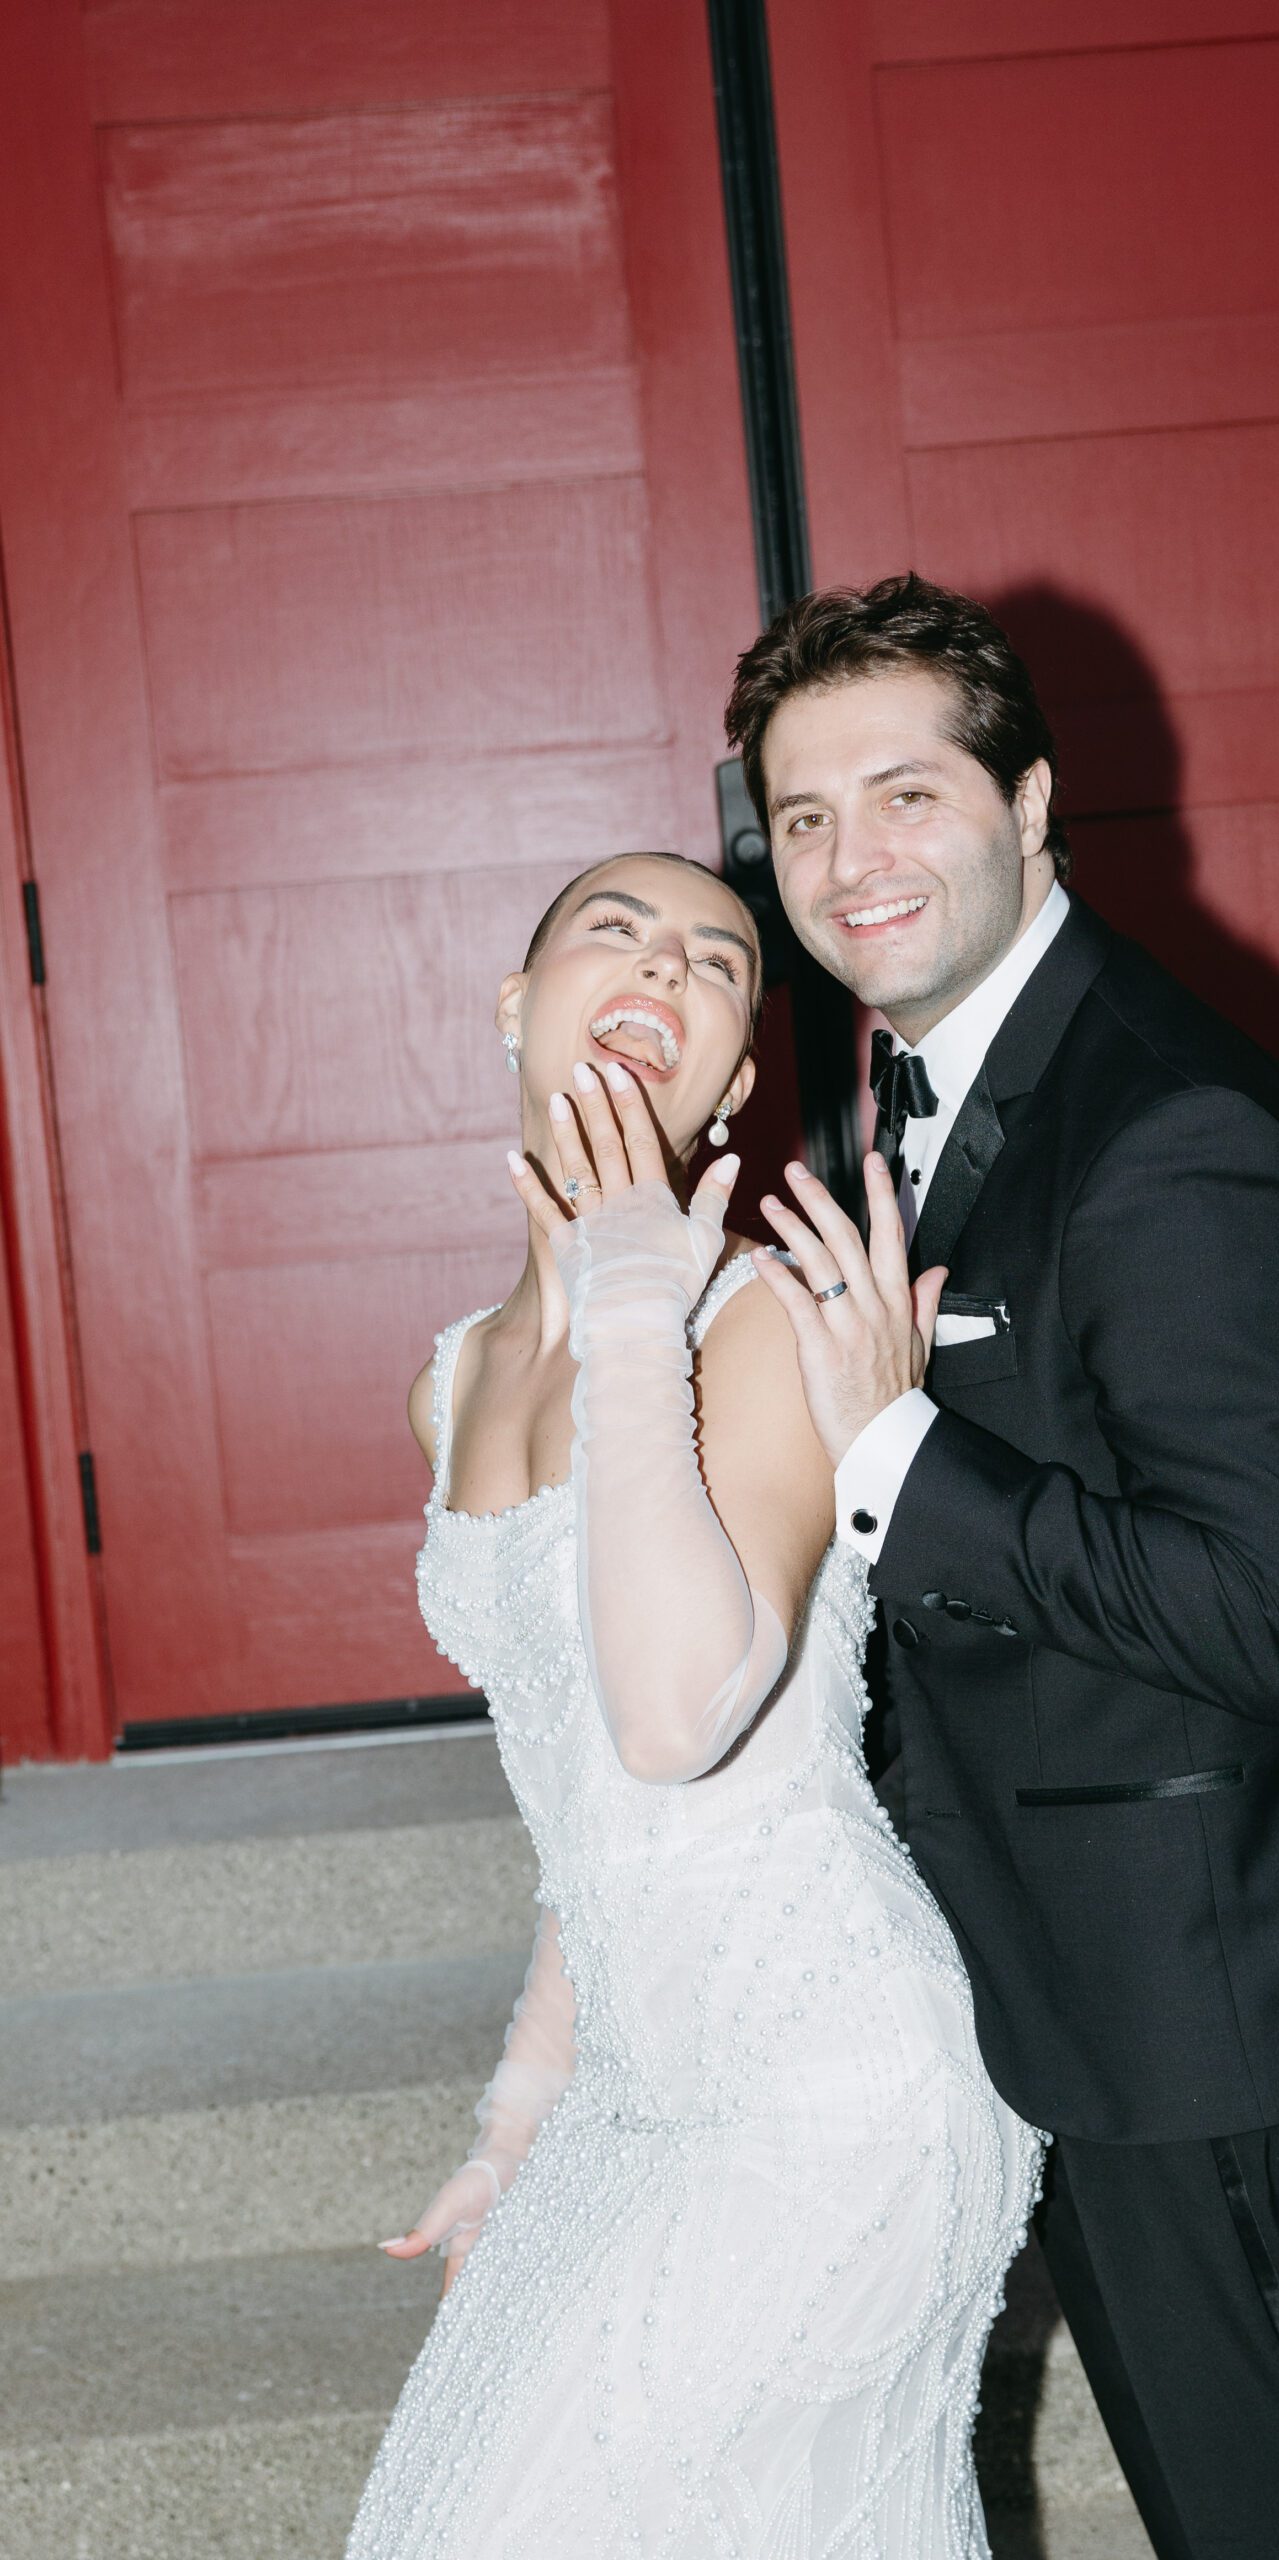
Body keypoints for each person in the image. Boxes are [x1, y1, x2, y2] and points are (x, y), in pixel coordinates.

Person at [731, 575, 1279, 2560]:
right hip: (1065, 1957)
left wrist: (892, 1448)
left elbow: (1254, 1611)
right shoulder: (915, 1085)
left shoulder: (1168, 1125)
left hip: (1200, 1987)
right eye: (800, 816)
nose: (848, 858)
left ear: (1032, 800)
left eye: (903, 793)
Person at [349, 849, 1040, 2559]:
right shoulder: (454, 1378)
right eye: (614, 929)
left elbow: (679, 1719)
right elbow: (590, 1809)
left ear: (736, 1081)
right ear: (518, 1010)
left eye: (719, 960)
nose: (663, 960)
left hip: (834, 2091)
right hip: (634, 2092)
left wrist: (639, 1283)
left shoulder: (759, 1321)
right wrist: (517, 2119)